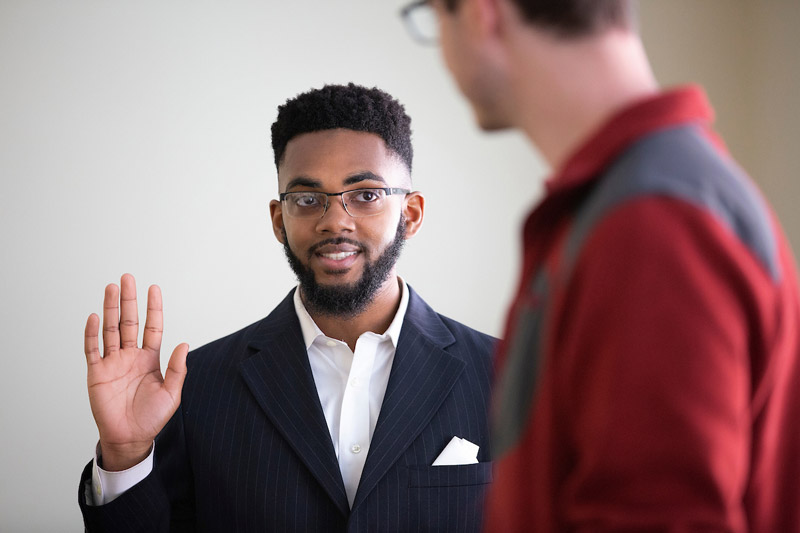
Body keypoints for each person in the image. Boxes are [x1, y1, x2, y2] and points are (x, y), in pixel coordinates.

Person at [400, 0, 800, 530]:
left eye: (434, 16)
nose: (443, 55)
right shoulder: (639, 201)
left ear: (481, 14)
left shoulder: (651, 222)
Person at [78, 83, 495, 532]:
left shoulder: (509, 376)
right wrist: (125, 456)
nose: (334, 220)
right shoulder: (194, 390)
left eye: (366, 194)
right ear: (280, 220)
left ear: (410, 214)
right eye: (307, 199)